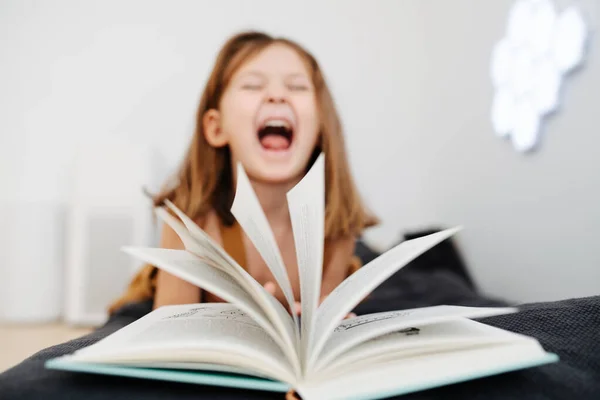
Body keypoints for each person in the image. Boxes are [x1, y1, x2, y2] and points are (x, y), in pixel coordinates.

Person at [108, 30, 378, 317]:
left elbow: (321, 321)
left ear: (321, 129)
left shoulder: (335, 229)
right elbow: (169, 329)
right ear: (216, 128)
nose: (277, 95)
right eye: (252, 85)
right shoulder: (191, 220)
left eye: (297, 87)